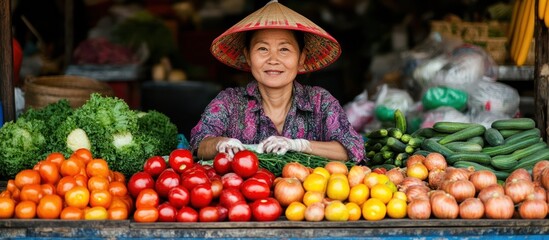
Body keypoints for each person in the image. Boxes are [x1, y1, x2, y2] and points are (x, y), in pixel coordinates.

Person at [190, 0, 365, 163]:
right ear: (248, 57)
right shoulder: (229, 102)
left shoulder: (320, 102)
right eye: (263, 49)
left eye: (284, 49)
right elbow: (199, 144)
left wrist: (299, 145)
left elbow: (353, 148)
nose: (273, 59)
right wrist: (220, 143)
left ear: (301, 58)